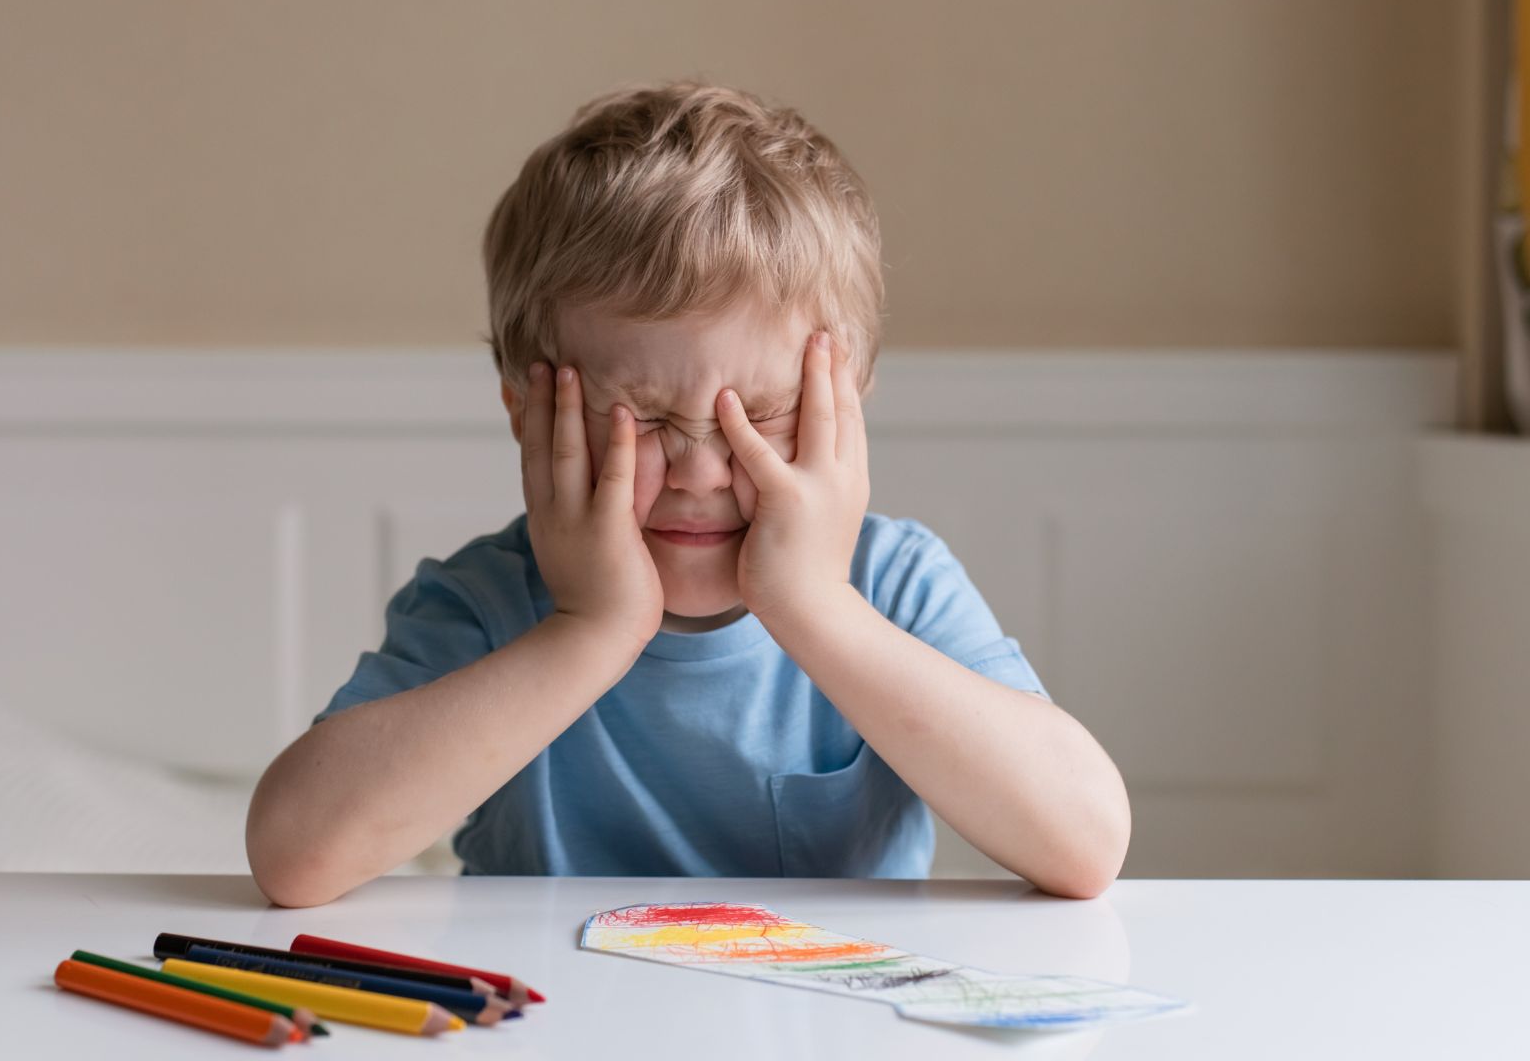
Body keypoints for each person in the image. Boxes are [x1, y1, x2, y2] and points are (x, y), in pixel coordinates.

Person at [246, 79, 1130, 907]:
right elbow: (295, 854)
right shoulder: (489, 603)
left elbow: (1085, 843)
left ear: (846, 403)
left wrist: (816, 607)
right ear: (526, 410)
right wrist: (590, 630)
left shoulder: (892, 584)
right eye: (639, 417)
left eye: (765, 415)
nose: (705, 471)